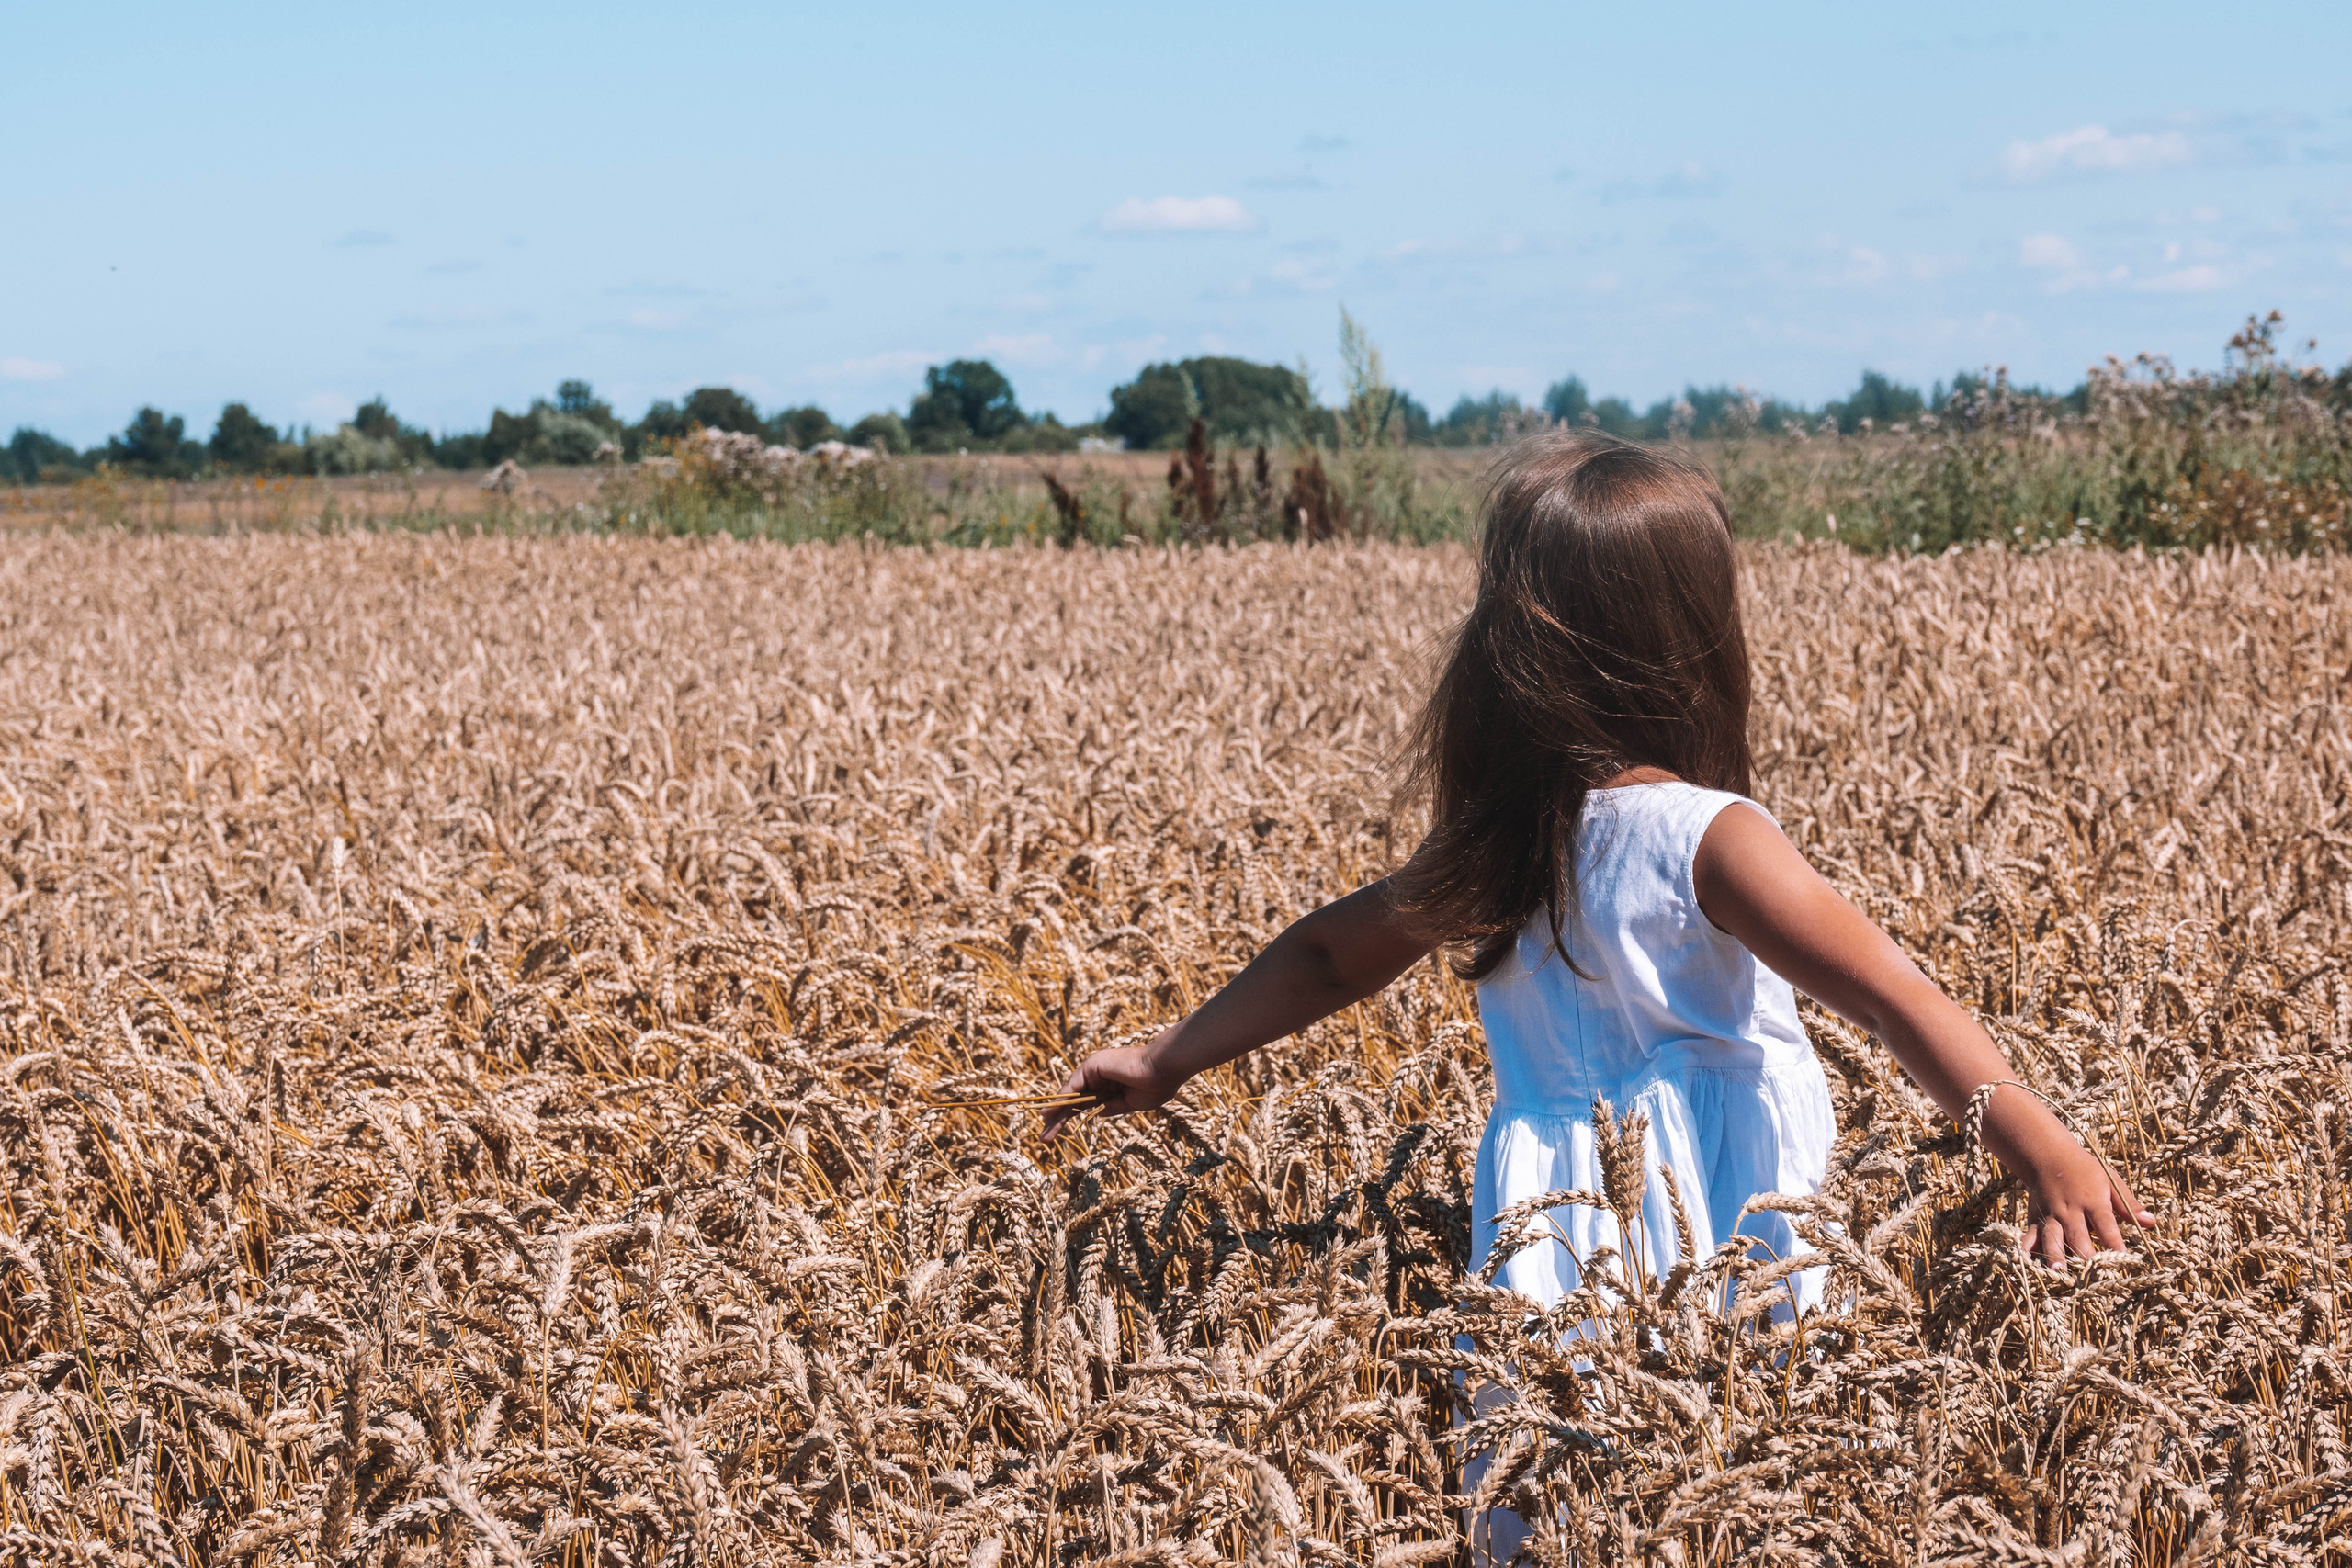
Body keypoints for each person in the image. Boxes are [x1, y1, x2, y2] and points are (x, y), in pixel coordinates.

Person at [1040, 433, 2153, 1556]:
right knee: (1753, 1481)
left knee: (1561, 1498)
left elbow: (1329, 958)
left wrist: (1170, 1054)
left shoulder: (1499, 846)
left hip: (1551, 1224)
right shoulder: (1709, 837)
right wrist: (2043, 1151)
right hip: (1731, 1209)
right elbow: (1888, 994)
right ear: (1694, 639)